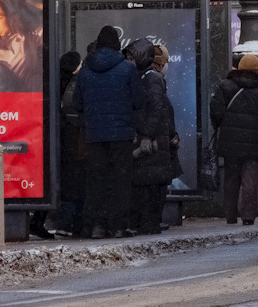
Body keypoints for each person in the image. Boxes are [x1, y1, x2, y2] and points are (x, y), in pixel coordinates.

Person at [72, 26, 145, 239]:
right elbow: (139, 100)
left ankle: (96, 225)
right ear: (117, 44)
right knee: (120, 180)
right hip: (121, 134)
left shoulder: (86, 70)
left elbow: (78, 102)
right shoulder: (127, 69)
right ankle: (118, 225)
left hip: (94, 135)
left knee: (96, 180)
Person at [210, 54, 258, 225]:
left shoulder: (225, 86)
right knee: (251, 180)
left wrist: (223, 126)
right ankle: (248, 216)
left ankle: (230, 215)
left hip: (230, 142)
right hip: (254, 142)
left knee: (231, 179)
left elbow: (216, 111)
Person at [132, 42, 179, 235]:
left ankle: (148, 222)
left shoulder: (145, 78)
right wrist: (151, 134)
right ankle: (150, 222)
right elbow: (158, 110)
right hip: (155, 140)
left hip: (154, 138)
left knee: (149, 183)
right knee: (153, 185)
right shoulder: (153, 79)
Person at [51, 50, 87, 238]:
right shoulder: (74, 84)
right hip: (73, 139)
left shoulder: (54, 82)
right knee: (76, 181)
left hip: (61, 140)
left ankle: (64, 221)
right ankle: (70, 222)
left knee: (67, 181)